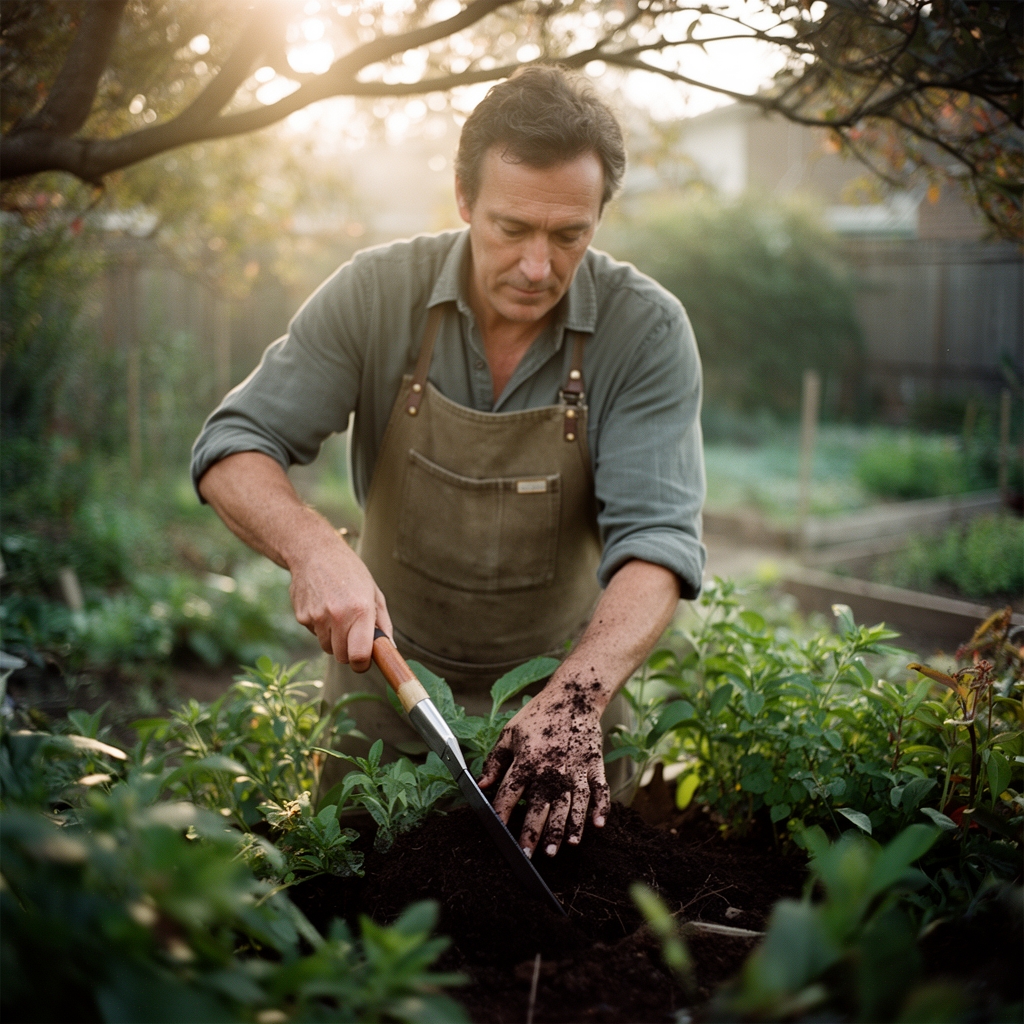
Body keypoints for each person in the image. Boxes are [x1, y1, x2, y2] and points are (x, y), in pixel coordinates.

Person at [192, 66, 705, 861]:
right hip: (387, 703)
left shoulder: (646, 332)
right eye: (511, 229)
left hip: (560, 716)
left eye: (569, 236)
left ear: (600, 217)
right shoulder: (376, 293)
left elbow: (659, 544)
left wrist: (575, 700)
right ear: (465, 201)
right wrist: (313, 547)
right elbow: (232, 446)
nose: (538, 266)